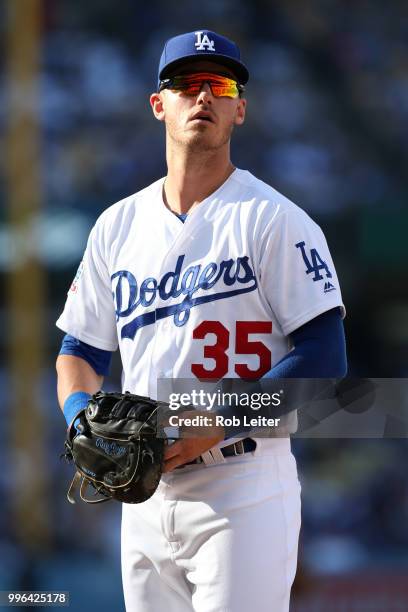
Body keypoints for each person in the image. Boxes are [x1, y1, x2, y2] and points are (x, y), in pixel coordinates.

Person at [56, 29, 347, 612]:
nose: (203, 97)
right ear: (159, 104)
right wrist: (82, 421)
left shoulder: (274, 220)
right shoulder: (116, 226)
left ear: (240, 108)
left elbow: (325, 360)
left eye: (219, 85)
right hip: (144, 495)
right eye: (187, 84)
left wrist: (220, 418)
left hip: (243, 485)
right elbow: (79, 351)